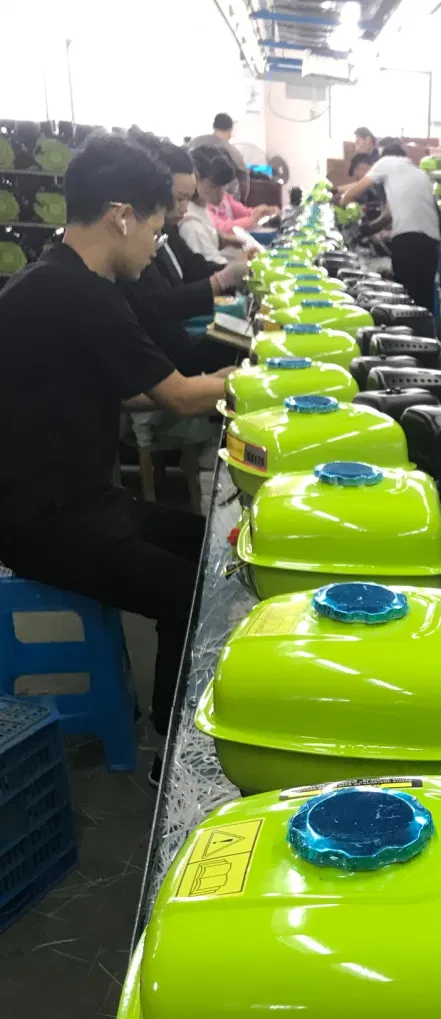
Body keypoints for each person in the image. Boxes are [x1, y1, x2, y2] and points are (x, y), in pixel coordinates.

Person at [0, 133, 231, 776]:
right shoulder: (83, 293)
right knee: (188, 590)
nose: (156, 244)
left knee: (210, 543)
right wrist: (250, 380)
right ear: (121, 216)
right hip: (39, 519)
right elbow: (178, 398)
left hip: (77, 497)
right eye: (155, 229)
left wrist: (209, 383)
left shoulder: (53, 277)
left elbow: (126, 389)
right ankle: (173, 750)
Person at [122, 138, 245, 374]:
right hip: (169, 351)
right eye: (179, 198)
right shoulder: (137, 245)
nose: (185, 207)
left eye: (189, 198)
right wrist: (222, 280)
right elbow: (162, 304)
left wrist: (232, 271)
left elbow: (193, 266)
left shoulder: (169, 230)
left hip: (177, 340)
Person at [340, 142, 440, 311]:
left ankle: (408, 327)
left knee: (405, 301)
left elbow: (352, 193)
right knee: (424, 303)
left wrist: (342, 203)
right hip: (431, 245)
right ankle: (427, 327)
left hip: (407, 242)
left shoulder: (386, 163)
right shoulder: (419, 173)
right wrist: (367, 229)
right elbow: (387, 216)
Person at [181, 147, 248, 265]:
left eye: (224, 186)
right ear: (196, 178)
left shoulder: (201, 208)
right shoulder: (191, 223)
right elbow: (213, 266)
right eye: (214, 187)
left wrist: (225, 240)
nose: (221, 193)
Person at [191, 110, 249, 199]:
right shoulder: (234, 153)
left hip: (192, 197)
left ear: (214, 127)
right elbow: (244, 183)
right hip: (221, 201)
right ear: (230, 131)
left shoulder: (193, 143)